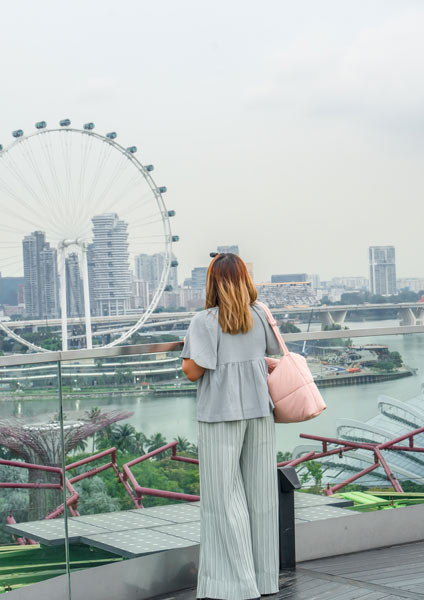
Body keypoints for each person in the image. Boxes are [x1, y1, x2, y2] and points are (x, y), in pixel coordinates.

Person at [181, 252, 282, 600]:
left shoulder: (204, 321)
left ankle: (238, 585)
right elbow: (270, 353)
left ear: (211, 282)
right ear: (244, 280)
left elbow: (193, 371)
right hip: (260, 410)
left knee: (223, 498)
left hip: (220, 413)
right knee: (261, 494)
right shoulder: (259, 313)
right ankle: (265, 578)